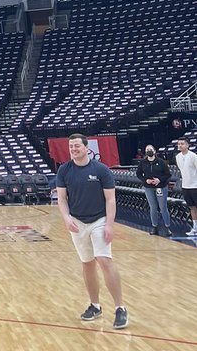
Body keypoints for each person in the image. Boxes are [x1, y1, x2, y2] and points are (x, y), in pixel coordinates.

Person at [55, 133, 128, 329]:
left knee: (104, 260)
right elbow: (62, 198)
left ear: (86, 147)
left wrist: (110, 225)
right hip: (78, 223)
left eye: (77, 146)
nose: (73, 149)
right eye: (71, 147)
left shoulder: (101, 170)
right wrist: (66, 218)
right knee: (87, 263)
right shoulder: (64, 170)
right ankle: (95, 305)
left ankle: (120, 308)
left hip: (99, 220)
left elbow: (111, 199)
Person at [136, 144, 172, 235]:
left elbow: (168, 174)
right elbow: (138, 174)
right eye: (147, 149)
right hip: (148, 188)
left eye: (150, 149)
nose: (149, 151)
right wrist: (145, 180)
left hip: (161, 187)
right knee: (153, 207)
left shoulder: (161, 162)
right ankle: (154, 227)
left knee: (163, 207)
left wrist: (159, 180)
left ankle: (167, 227)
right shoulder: (143, 162)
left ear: (154, 151)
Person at [175, 137, 197, 236]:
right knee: (192, 207)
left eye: (182, 144)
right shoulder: (177, 157)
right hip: (185, 186)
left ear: (187, 145)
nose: (180, 145)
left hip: (195, 185)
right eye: (179, 144)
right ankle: (195, 228)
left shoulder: (193, 156)